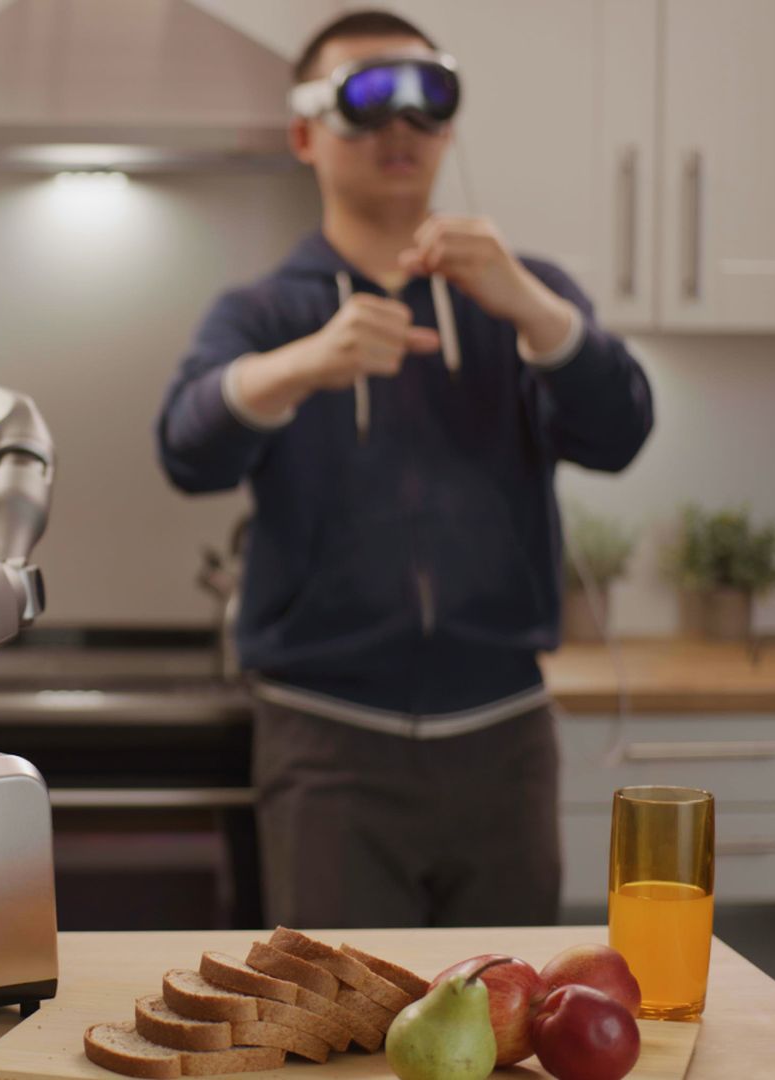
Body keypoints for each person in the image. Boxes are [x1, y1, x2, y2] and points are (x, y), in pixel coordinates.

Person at [155, 10, 654, 929]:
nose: (404, 127)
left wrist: (534, 310)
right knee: (338, 1043)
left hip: (504, 739)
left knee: (503, 1040)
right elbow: (187, 448)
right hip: (325, 747)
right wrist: (305, 363)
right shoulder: (264, 312)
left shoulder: (518, 292)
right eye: (370, 97)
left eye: (430, 101)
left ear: (451, 126)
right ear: (305, 131)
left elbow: (619, 431)